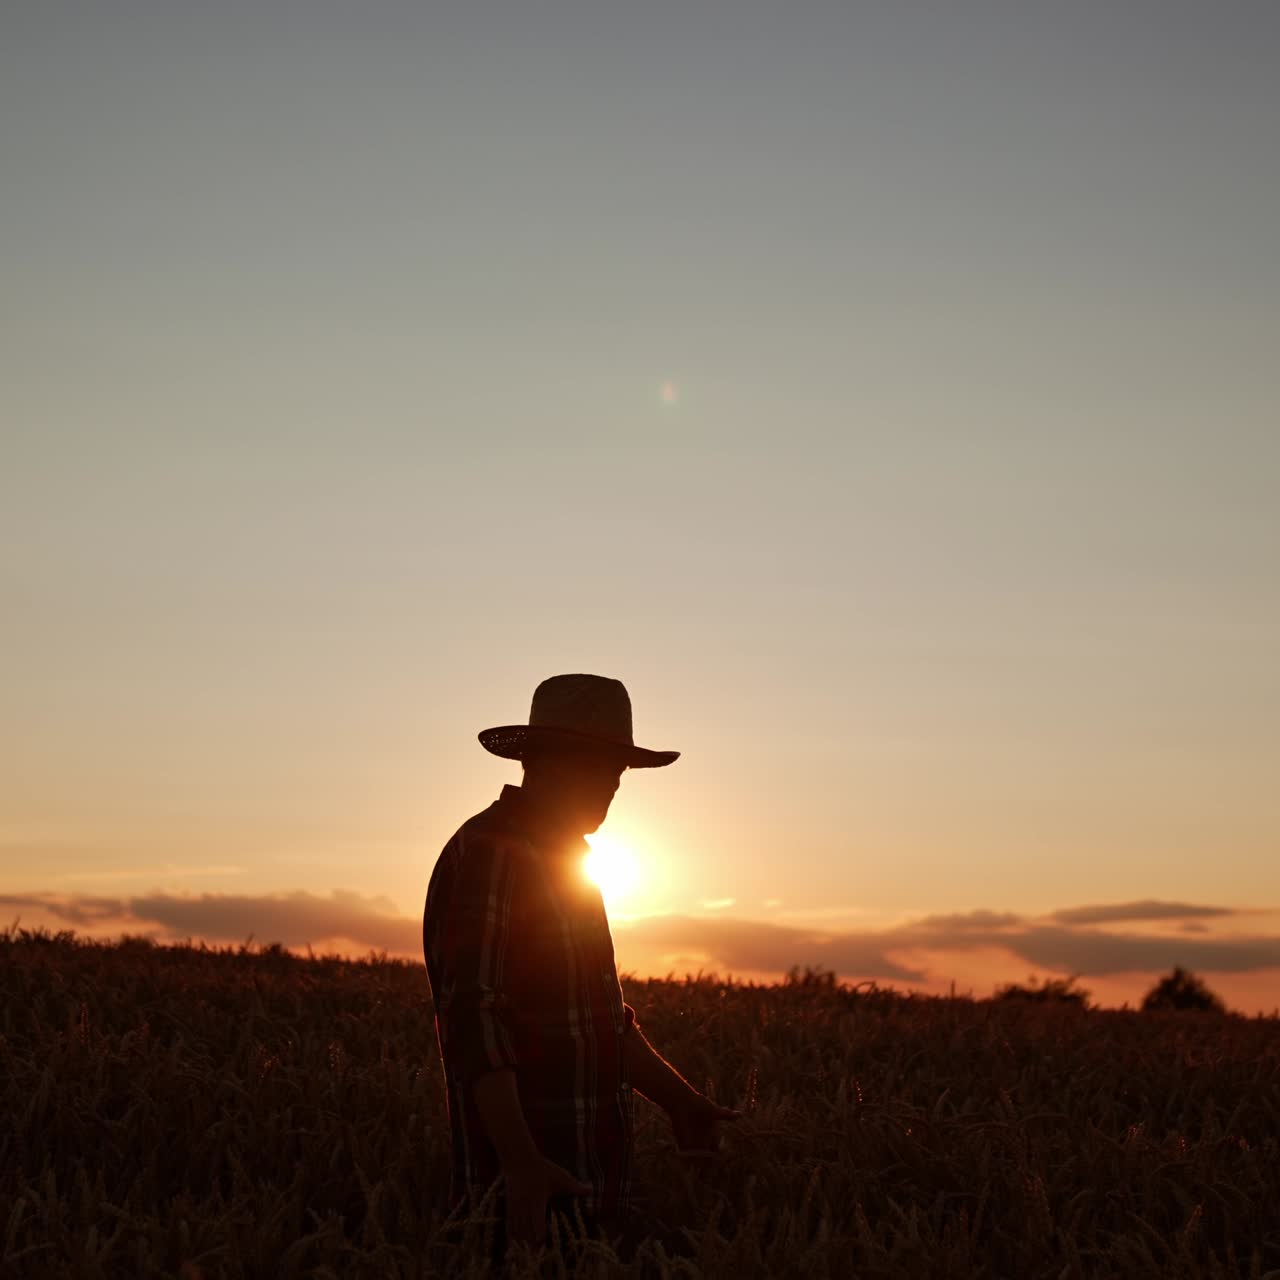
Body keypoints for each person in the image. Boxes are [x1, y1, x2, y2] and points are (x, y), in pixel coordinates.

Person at [422, 673, 739, 1262]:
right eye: (595, 768)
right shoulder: (492, 851)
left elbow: (599, 1021)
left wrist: (680, 1102)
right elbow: (472, 1017)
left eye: (617, 774)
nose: (611, 788)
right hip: (522, 1201)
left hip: (587, 1187)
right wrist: (521, 1162)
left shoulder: (569, 860)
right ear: (541, 760)